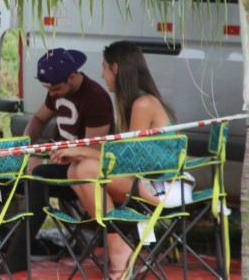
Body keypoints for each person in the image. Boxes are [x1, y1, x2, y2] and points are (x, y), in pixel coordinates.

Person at [0, 48, 115, 273]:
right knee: (1, 182)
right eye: (49, 90)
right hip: (57, 162)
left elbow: (93, 152)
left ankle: (17, 257)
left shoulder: (96, 98)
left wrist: (49, 162)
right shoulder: (57, 90)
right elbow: (38, 119)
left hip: (81, 175)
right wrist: (26, 151)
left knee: (38, 178)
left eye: (56, 89)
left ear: (72, 77)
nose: (53, 94)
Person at [65, 40, 178, 279]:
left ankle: (119, 250)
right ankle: (119, 247)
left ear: (115, 68)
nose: (101, 75)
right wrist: (82, 152)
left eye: (104, 67)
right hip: (142, 180)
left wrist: (84, 151)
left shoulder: (143, 104)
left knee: (84, 169)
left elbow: (127, 160)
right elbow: (124, 157)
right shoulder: (132, 102)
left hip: (159, 186)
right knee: (74, 172)